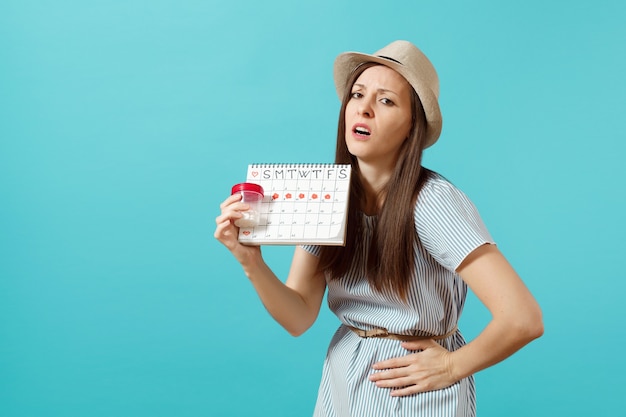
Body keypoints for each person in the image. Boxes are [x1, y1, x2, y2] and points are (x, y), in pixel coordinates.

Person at [214, 40, 543, 417]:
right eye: (357, 94)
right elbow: (299, 316)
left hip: (416, 390)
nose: (364, 109)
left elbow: (523, 317)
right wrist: (249, 261)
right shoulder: (323, 196)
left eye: (386, 101)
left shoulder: (433, 202)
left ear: (411, 127)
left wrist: (453, 366)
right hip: (344, 381)